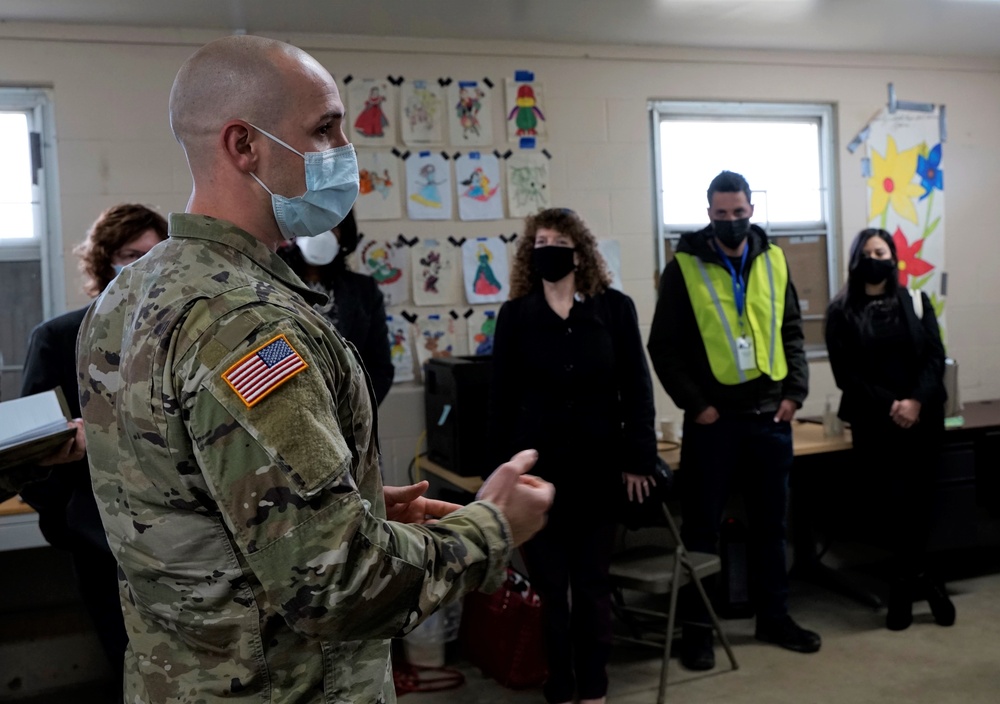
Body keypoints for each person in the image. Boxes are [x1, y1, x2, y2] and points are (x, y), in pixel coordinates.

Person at [76, 35, 553, 704]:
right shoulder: (247, 324)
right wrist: (493, 526)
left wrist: (346, 498)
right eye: (324, 129)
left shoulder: (130, 293)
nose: (343, 154)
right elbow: (335, 585)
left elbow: (192, 500)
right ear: (245, 146)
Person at [647, 170, 820, 670]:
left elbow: (791, 331)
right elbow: (665, 347)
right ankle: (698, 634)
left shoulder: (774, 259)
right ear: (708, 215)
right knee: (701, 530)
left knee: (771, 526)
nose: (731, 222)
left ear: (751, 210)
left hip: (771, 417)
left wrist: (795, 394)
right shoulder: (683, 267)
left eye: (739, 213)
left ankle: (775, 618)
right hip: (713, 423)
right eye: (721, 215)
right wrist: (696, 404)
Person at [491, 208, 658, 704]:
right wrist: (497, 480)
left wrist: (639, 457)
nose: (548, 247)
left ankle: (595, 689)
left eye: (559, 239)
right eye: (540, 240)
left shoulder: (614, 309)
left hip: (598, 472)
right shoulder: (516, 315)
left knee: (591, 588)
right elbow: (499, 401)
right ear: (529, 252)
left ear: (580, 250)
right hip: (535, 479)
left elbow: (638, 389)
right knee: (549, 592)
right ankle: (559, 687)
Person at [19, 203, 167, 700]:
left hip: (179, 542)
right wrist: (67, 520)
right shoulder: (59, 339)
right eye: (130, 254)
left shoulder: (175, 338)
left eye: (154, 254)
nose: (142, 265)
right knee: (130, 671)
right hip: (101, 541)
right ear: (105, 261)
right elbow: (31, 455)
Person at [825, 228, 954, 631]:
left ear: (893, 256)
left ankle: (907, 585)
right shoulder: (841, 310)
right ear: (855, 260)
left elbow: (936, 356)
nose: (874, 258)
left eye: (881, 251)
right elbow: (846, 374)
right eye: (867, 253)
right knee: (892, 510)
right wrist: (892, 405)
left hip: (923, 420)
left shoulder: (915, 300)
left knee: (921, 508)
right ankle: (923, 585)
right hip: (875, 423)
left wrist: (914, 401)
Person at [276, 208, 394, 405]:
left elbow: (380, 367)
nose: (322, 233)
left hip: (349, 418)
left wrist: (353, 413)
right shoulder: (271, 283)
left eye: (333, 226)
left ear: (343, 234)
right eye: (314, 223)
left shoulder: (364, 291)